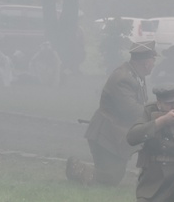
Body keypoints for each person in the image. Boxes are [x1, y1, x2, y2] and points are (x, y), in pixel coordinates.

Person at [66, 40, 157, 186]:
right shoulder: (124, 78)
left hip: (116, 134)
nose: (154, 63)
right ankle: (77, 168)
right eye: (153, 60)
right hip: (106, 135)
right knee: (110, 179)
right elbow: (131, 110)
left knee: (114, 176)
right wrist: (157, 113)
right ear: (146, 62)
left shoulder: (135, 75)